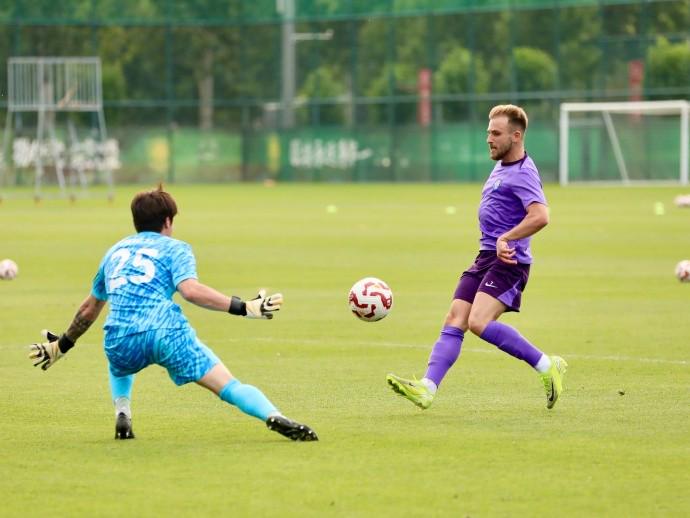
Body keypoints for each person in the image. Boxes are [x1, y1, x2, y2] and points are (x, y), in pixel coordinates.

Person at [29, 185, 318, 441]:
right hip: (166, 333)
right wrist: (244, 307)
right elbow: (190, 291)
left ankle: (123, 412)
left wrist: (62, 345)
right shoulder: (175, 248)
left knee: (118, 365)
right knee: (228, 386)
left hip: (120, 338)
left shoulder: (114, 252)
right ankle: (273, 415)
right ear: (167, 221)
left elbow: (89, 309)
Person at [386, 104, 567, 410]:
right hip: (486, 256)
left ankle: (546, 365)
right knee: (455, 318)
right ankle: (427, 388)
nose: (489, 139)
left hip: (509, 262)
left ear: (516, 136)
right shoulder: (502, 165)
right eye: (488, 133)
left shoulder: (523, 172)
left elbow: (541, 216)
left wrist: (507, 238)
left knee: (479, 322)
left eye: (496, 133)